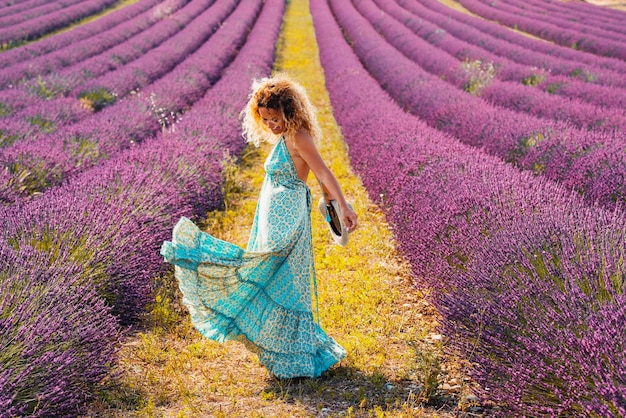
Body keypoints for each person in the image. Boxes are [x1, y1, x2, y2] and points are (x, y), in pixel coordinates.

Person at [160, 73, 358, 379]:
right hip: (272, 218)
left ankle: (294, 355)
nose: (270, 124)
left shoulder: (299, 136)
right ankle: (286, 353)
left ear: (288, 110)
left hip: (288, 220)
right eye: (264, 119)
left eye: (274, 118)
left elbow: (323, 173)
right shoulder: (284, 137)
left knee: (269, 276)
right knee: (266, 277)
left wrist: (342, 206)